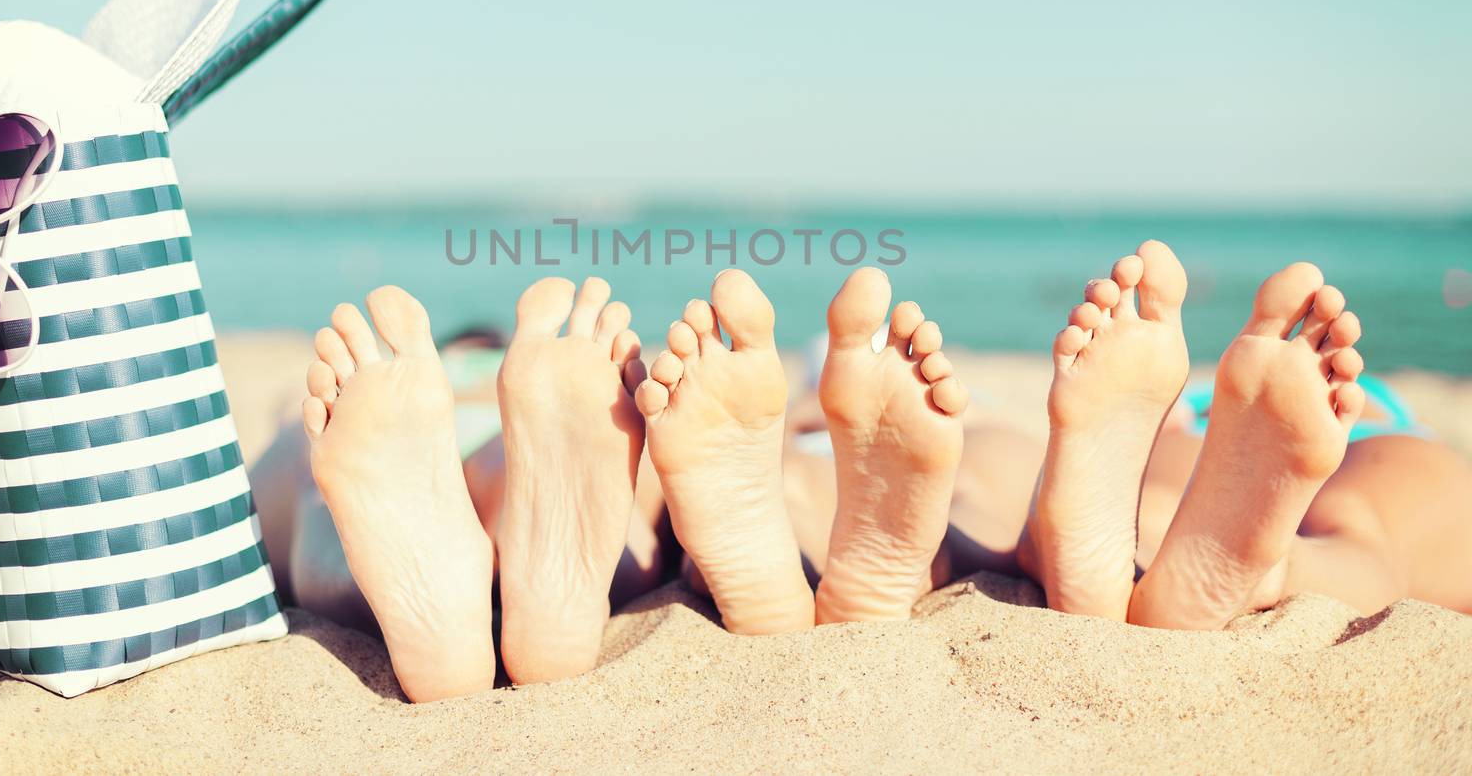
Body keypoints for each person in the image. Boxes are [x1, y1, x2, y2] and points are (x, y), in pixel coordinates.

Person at [262, 247, 1472, 703]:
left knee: (320, 483)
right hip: (1123, 453)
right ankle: (1206, 549)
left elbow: (268, 459)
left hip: (570, 452)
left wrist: (295, 446)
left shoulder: (468, 379)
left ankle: (467, 550)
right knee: (1386, 492)